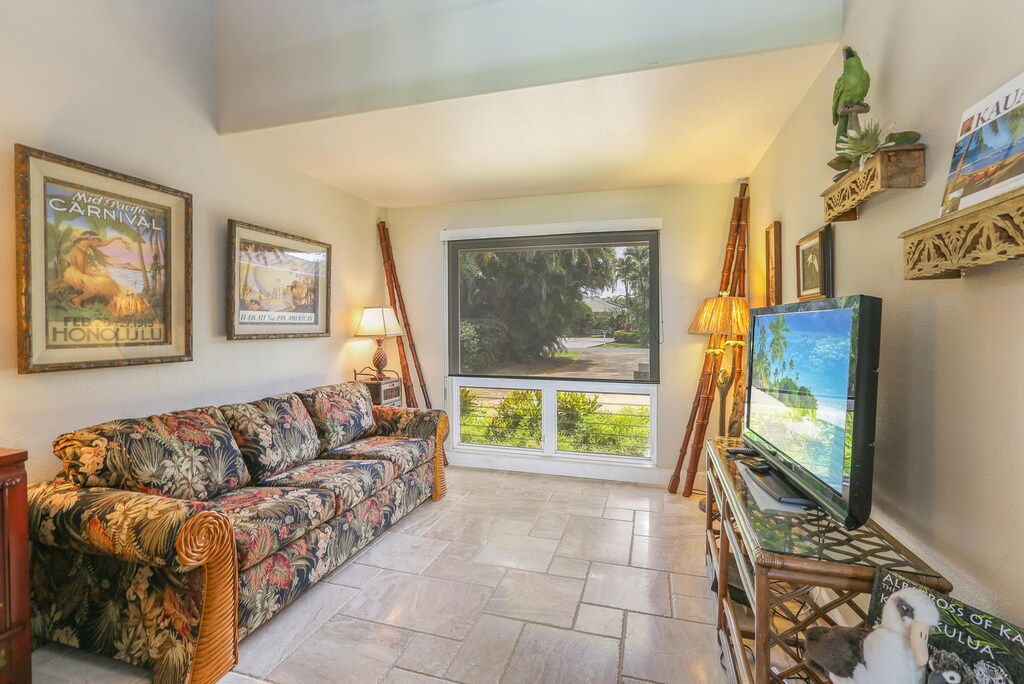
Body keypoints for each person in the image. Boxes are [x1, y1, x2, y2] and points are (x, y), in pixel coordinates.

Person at [63, 230, 128, 308]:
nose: (97, 243)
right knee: (101, 284)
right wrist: (99, 273)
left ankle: (110, 304)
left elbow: (103, 244)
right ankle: (77, 299)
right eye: (96, 241)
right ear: (90, 239)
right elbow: (82, 270)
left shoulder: (84, 245)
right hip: (77, 273)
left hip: (85, 270)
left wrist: (115, 238)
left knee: (110, 282)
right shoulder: (79, 251)